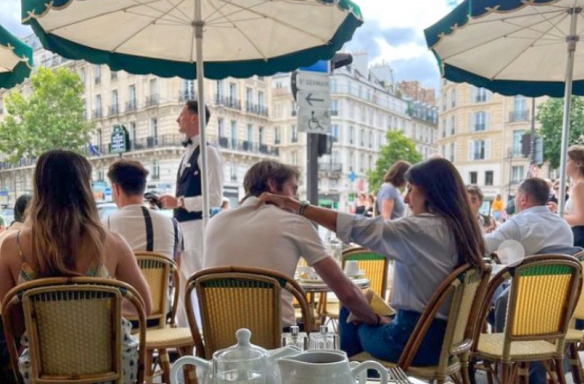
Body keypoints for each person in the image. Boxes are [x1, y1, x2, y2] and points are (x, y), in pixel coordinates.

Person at [0, 150, 152, 384]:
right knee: (109, 356)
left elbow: (7, 323)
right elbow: (145, 305)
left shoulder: (12, 247)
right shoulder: (111, 242)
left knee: (46, 367)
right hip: (113, 368)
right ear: (85, 187)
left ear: (39, 187)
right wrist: (99, 309)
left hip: (44, 372)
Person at [259, 158, 485, 365]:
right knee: (362, 304)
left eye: (411, 190)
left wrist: (298, 207)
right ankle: (357, 382)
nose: (406, 199)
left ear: (431, 193)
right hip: (447, 339)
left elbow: (358, 227)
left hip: (414, 342)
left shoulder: (421, 228)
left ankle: (352, 381)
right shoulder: (464, 230)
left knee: (350, 310)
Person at [204, 160, 379, 329]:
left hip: (218, 343)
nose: (295, 198)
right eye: (293, 189)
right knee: (357, 321)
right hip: (276, 344)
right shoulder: (293, 223)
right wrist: (377, 319)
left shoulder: (215, 222)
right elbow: (347, 293)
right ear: (272, 184)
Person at [159, 100, 224, 327]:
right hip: (182, 228)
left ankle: (208, 335)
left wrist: (179, 202)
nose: (178, 119)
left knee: (198, 281)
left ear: (195, 118)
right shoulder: (188, 153)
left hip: (197, 228)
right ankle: (184, 340)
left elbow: (214, 198)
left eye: (182, 115)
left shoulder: (208, 153)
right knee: (183, 284)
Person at [106, 159, 183, 264]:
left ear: (116, 188)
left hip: (123, 281)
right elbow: (176, 272)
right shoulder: (173, 226)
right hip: (161, 280)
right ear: (143, 187)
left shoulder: (106, 226)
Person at [484, 178, 574, 258]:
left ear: (523, 199)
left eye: (516, 196)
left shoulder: (518, 224)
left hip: (525, 276)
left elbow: (482, 245)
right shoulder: (564, 226)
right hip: (563, 277)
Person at [563, 145, 584, 249]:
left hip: (581, 238)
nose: (565, 164)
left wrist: (558, 216)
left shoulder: (580, 186)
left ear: (578, 163)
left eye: (568, 161)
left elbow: (583, 219)